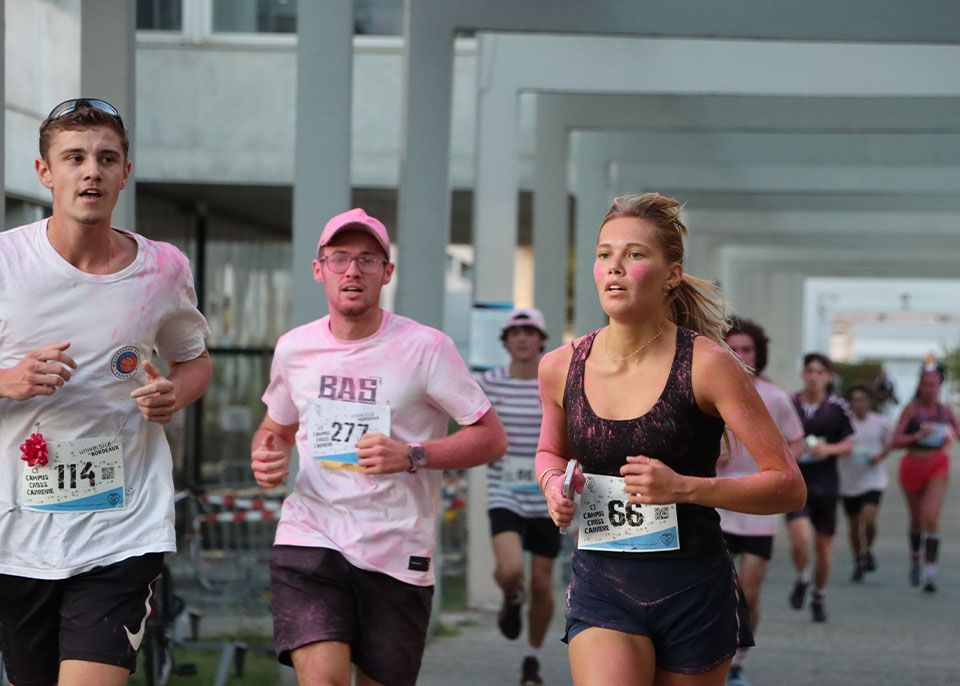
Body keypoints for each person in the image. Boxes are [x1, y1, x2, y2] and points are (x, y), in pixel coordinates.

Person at [535, 193, 806, 686]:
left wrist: (684, 488)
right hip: (602, 580)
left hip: (692, 586)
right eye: (604, 254)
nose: (615, 267)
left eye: (635, 254)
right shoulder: (559, 366)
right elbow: (550, 452)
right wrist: (553, 484)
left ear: (672, 274)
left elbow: (787, 485)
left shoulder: (708, 366)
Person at [0, 98, 212, 686]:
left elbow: (193, 361)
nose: (91, 171)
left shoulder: (162, 269)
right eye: (74, 158)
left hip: (123, 527)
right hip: (18, 529)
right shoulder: (5, 263)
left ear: (125, 172)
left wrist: (174, 394)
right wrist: (8, 381)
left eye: (106, 158)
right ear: (45, 172)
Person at [250, 208, 507, 686]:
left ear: (387, 273)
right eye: (339, 258)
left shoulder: (426, 348)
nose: (352, 270)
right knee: (323, 680)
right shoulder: (294, 348)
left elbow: (490, 437)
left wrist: (412, 455)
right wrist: (267, 456)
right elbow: (277, 429)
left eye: (367, 260)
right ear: (319, 269)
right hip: (312, 536)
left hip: (396, 547)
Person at [716, 318, 804, 686]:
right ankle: (714, 660)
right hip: (718, 504)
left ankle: (738, 661)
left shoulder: (775, 397)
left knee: (749, 592)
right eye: (733, 349)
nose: (740, 356)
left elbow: (796, 441)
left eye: (747, 350)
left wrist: (779, 467)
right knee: (718, 591)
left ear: (759, 354)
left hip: (759, 509)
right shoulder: (709, 391)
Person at [480, 307, 556, 686]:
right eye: (515, 333)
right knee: (511, 570)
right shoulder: (488, 384)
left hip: (547, 493)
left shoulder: (555, 383)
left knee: (541, 583)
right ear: (506, 341)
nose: (522, 338)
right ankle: (511, 596)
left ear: (541, 340)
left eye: (530, 332)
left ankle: (532, 658)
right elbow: (469, 423)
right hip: (504, 490)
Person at [785, 353, 854, 623]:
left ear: (828, 377)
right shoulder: (789, 403)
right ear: (803, 374)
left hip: (826, 484)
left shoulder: (837, 407)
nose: (814, 377)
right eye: (810, 371)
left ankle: (819, 595)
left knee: (823, 546)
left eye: (820, 372)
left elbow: (849, 444)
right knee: (800, 539)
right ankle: (803, 577)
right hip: (796, 483)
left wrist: (828, 449)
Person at [889, 370, 959, 592]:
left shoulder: (945, 410)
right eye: (925, 385)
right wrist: (917, 436)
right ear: (919, 387)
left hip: (937, 464)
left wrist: (949, 433)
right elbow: (895, 440)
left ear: (939, 387)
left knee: (930, 516)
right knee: (917, 518)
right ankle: (915, 558)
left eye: (933, 385)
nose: (929, 389)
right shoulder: (911, 410)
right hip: (912, 463)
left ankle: (930, 572)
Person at [837, 384, 891, 582]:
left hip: (873, 480)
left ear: (869, 401)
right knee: (853, 525)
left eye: (863, 399)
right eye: (855, 400)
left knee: (868, 520)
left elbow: (889, 443)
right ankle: (858, 559)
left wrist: (880, 456)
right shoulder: (843, 423)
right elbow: (834, 444)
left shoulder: (880, 422)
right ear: (850, 403)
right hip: (848, 481)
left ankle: (868, 549)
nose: (859, 403)